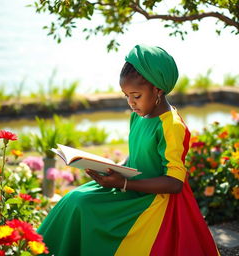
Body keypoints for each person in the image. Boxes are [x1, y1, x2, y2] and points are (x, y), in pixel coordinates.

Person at [37, 44, 220, 256]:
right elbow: (137, 156)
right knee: (73, 199)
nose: (131, 103)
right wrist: (114, 169)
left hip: (153, 200)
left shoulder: (171, 126)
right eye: (126, 96)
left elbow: (175, 183)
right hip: (130, 188)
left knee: (84, 206)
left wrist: (124, 183)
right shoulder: (139, 116)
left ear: (157, 90)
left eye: (136, 96)